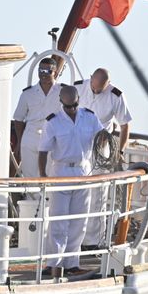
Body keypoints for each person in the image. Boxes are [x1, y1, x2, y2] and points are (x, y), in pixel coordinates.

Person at [39, 85, 103, 278]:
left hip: (83, 170)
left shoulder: (90, 117)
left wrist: (107, 142)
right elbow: (43, 150)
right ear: (61, 102)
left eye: (75, 105)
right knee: (59, 220)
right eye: (68, 106)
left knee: (79, 220)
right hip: (61, 171)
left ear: (78, 101)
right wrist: (42, 175)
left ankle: (72, 263)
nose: (72, 109)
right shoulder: (53, 122)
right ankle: (54, 263)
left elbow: (101, 136)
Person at [73, 68, 133, 248]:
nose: (96, 91)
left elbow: (125, 125)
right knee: (78, 191)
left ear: (107, 85)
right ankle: (76, 239)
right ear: (90, 78)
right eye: (94, 87)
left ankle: (94, 241)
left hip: (101, 147)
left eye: (100, 89)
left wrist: (120, 152)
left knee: (98, 194)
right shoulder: (78, 87)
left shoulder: (115, 95)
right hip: (78, 145)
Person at [12, 58, 62, 178]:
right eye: (41, 70)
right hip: (31, 136)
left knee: (49, 173)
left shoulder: (62, 91)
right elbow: (18, 119)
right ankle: (31, 197)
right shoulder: (27, 94)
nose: (43, 74)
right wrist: (19, 141)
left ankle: (46, 197)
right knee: (29, 174)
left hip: (53, 136)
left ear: (55, 72)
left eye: (47, 71)